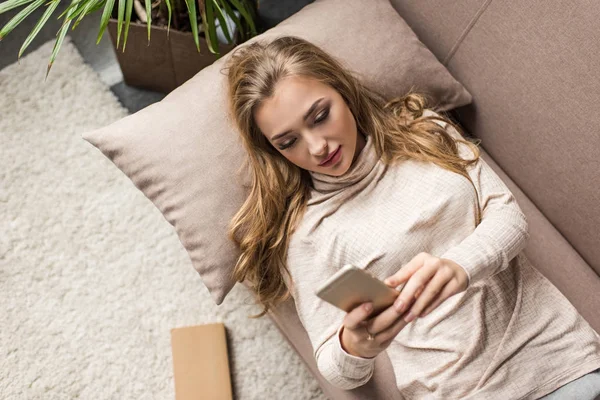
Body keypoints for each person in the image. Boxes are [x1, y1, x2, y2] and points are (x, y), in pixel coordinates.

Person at [222, 35, 600, 399]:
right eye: (288, 142)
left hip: (559, 358)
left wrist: (458, 266)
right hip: (458, 390)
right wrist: (355, 344)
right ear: (272, 151)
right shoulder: (309, 234)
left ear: (343, 92)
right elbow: (334, 365)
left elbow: (510, 218)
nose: (317, 147)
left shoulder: (426, 130)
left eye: (321, 116)